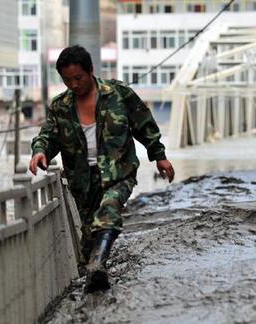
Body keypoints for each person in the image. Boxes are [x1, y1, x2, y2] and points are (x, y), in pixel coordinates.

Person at [29, 45, 174, 292]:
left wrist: (159, 156)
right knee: (89, 238)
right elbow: (48, 136)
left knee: (109, 213)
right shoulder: (61, 105)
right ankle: (95, 274)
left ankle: (97, 266)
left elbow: (144, 125)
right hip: (83, 181)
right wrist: (39, 151)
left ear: (91, 71)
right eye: (67, 80)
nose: (73, 84)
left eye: (78, 78)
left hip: (119, 172)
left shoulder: (118, 94)